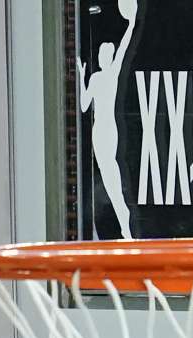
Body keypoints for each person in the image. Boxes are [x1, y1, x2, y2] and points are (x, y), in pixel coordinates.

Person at [77, 0, 137, 239]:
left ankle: (126, 231)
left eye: (106, 53)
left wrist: (132, 24)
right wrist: (82, 78)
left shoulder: (111, 75)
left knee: (112, 184)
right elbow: (83, 106)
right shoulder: (97, 78)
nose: (103, 56)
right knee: (107, 183)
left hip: (107, 133)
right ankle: (118, 228)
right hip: (98, 134)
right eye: (102, 53)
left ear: (110, 58)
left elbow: (124, 48)